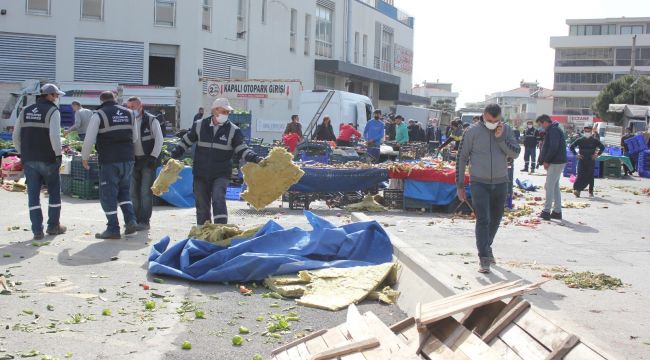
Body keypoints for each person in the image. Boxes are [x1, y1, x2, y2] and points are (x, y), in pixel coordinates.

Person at [171, 98, 264, 225]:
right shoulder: (199, 125)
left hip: (221, 173)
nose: (226, 114)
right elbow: (186, 141)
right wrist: (174, 154)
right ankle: (204, 232)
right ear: (215, 110)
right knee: (202, 203)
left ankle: (221, 229)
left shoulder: (233, 130)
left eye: (228, 112)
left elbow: (242, 149)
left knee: (218, 198)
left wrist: (256, 158)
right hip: (200, 172)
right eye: (224, 111)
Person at [456, 104, 521, 273]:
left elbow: (515, 153)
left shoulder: (506, 130)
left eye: (497, 120)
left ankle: (487, 246)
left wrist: (500, 139)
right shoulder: (471, 132)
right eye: (490, 120)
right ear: (483, 115)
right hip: (479, 182)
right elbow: (461, 158)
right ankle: (484, 257)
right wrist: (460, 184)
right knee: (483, 219)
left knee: (496, 219)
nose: (493, 123)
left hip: (501, 182)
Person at [12, 84, 67, 240]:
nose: (57, 99)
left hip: (29, 159)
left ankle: (37, 231)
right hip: (48, 159)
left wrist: (23, 153)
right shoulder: (53, 112)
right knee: (54, 193)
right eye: (56, 96)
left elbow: (16, 136)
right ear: (49, 96)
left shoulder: (25, 111)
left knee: (33, 195)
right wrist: (58, 155)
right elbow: (55, 137)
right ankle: (53, 226)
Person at [81, 91, 139, 239]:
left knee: (108, 194)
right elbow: (135, 137)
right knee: (124, 191)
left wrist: (85, 157)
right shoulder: (130, 113)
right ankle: (131, 221)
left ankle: (113, 228)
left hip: (109, 160)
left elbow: (89, 139)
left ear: (101, 101)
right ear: (115, 99)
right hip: (128, 158)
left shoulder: (99, 114)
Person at [126, 96, 164, 231]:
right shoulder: (127, 121)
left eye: (133, 107)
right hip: (133, 161)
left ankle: (144, 221)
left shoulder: (152, 120)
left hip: (148, 161)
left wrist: (153, 157)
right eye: (128, 107)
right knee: (132, 192)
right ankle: (134, 220)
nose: (131, 110)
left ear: (140, 106)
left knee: (145, 192)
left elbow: (159, 140)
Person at [537, 114, 567, 221]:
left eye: (540, 124)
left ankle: (546, 211)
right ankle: (557, 211)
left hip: (555, 162)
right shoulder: (553, 129)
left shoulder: (553, 130)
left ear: (545, 122)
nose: (541, 127)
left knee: (549, 186)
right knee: (554, 186)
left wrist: (547, 160)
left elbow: (553, 147)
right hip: (558, 161)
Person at [570, 124, 605, 198]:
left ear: (591, 131)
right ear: (584, 130)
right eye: (586, 130)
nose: (587, 132)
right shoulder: (580, 139)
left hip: (590, 160)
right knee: (580, 175)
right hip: (581, 160)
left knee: (590, 176)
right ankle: (577, 190)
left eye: (588, 130)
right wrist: (576, 154)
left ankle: (591, 192)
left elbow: (602, 147)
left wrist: (597, 154)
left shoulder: (595, 140)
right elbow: (571, 147)